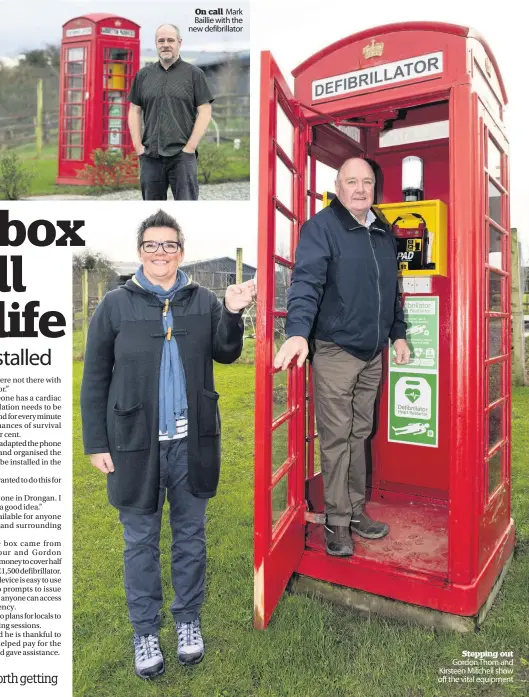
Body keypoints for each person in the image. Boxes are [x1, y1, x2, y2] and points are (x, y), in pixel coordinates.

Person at [80, 209, 255, 678]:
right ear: (141, 252)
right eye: (152, 245)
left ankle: (187, 619)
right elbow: (95, 377)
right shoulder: (115, 304)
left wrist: (234, 312)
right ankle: (144, 629)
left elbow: (226, 352)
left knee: (191, 537)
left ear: (181, 251)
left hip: (191, 441)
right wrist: (96, 442)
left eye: (170, 245)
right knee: (139, 542)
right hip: (136, 444)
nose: (161, 253)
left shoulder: (202, 300)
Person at [274, 157, 410, 557]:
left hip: (373, 352)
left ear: (374, 186)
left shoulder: (383, 230)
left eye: (367, 181)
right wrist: (298, 332)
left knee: (359, 434)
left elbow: (391, 291)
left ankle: (353, 512)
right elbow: (306, 283)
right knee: (335, 438)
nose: (360, 188)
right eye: (351, 181)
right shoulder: (322, 228)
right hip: (335, 350)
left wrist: (397, 334)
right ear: (337, 185)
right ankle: (336, 521)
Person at [128, 24, 213, 201]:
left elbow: (205, 110)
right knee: (152, 211)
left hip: (182, 156)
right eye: (161, 40)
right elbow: (134, 110)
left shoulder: (194, 74)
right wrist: (138, 146)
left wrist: (190, 147)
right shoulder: (143, 75)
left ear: (179, 43)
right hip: (150, 155)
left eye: (170, 40)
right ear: (156, 44)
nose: (165, 44)